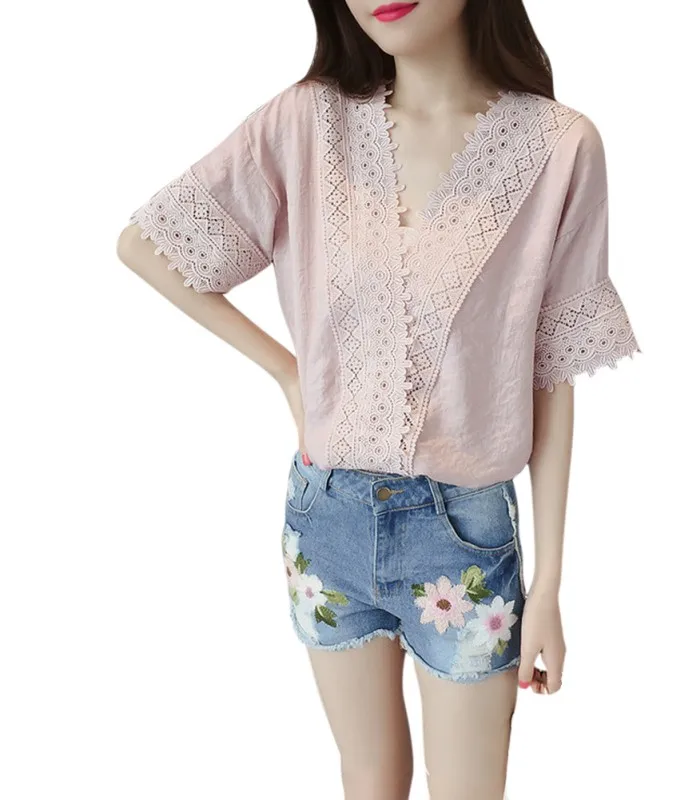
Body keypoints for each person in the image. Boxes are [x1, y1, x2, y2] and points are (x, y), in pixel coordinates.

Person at [116, 1, 641, 796]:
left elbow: (552, 372)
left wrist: (550, 586)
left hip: (463, 537)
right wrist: (289, 373)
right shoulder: (305, 124)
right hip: (324, 518)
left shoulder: (560, 146)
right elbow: (148, 247)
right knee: (367, 778)